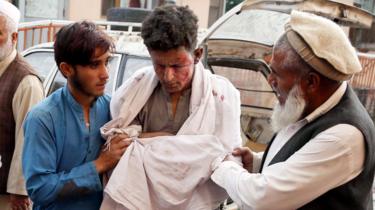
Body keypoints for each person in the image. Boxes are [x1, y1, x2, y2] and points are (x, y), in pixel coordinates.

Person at [211, 10, 375, 210]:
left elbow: (264, 197)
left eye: (277, 74)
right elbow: (303, 157)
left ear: (311, 82)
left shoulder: (343, 137)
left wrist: (222, 167)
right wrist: (256, 163)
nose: (270, 81)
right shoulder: (313, 105)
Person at [100, 5, 242, 210]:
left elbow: (227, 157)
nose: (168, 76)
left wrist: (153, 140)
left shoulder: (222, 97)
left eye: (177, 66)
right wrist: (181, 144)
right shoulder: (135, 91)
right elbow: (119, 145)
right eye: (159, 65)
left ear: (197, 54)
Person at [22, 21, 129, 210]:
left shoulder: (113, 109)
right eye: (95, 65)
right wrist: (98, 165)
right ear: (67, 69)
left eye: (106, 62)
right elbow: (40, 189)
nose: (105, 74)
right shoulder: (43, 118)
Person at [0, 1, 44, 210]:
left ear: (14, 37)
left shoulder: (26, 81)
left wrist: (19, 190)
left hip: (6, 196)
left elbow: (28, 139)